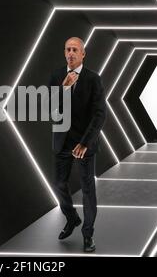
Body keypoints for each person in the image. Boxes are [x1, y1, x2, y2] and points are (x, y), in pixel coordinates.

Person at [49, 37, 106, 252]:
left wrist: (85, 143)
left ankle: (88, 234)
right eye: (67, 49)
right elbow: (49, 109)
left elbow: (100, 115)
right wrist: (63, 89)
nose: (70, 53)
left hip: (84, 143)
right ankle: (72, 218)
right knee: (59, 185)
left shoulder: (93, 79)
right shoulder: (56, 76)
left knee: (87, 190)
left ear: (83, 54)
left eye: (75, 50)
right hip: (62, 143)